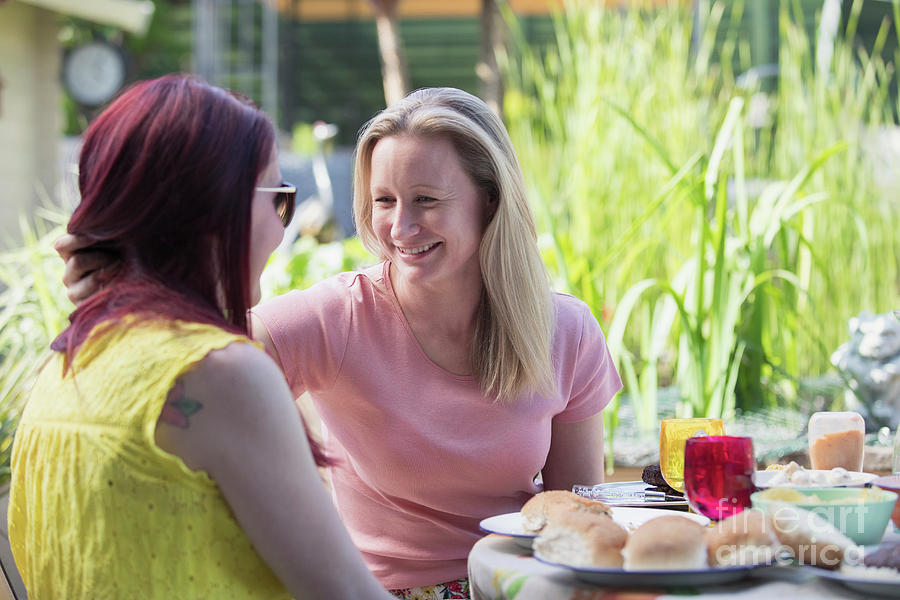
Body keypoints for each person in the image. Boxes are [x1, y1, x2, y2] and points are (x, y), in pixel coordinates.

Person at [57, 87, 622, 599]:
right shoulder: (336, 317)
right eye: (384, 201)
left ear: (490, 202)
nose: (399, 228)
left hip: (519, 585)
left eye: (426, 199)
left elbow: (580, 520)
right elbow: (189, 355)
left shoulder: (565, 331)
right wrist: (112, 270)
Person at [9, 74, 397, 600]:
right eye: (278, 199)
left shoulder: (63, 364)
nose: (283, 228)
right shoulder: (219, 375)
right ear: (218, 207)